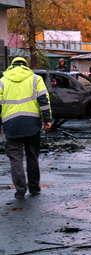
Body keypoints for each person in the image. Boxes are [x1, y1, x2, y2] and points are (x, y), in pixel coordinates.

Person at [0, 57, 52, 199]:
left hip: (11, 125)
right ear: (26, 66)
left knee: (15, 158)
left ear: (12, 66)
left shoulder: (2, 81)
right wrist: (47, 119)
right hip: (31, 124)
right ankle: (34, 188)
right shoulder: (35, 79)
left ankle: (20, 190)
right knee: (32, 156)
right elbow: (44, 100)